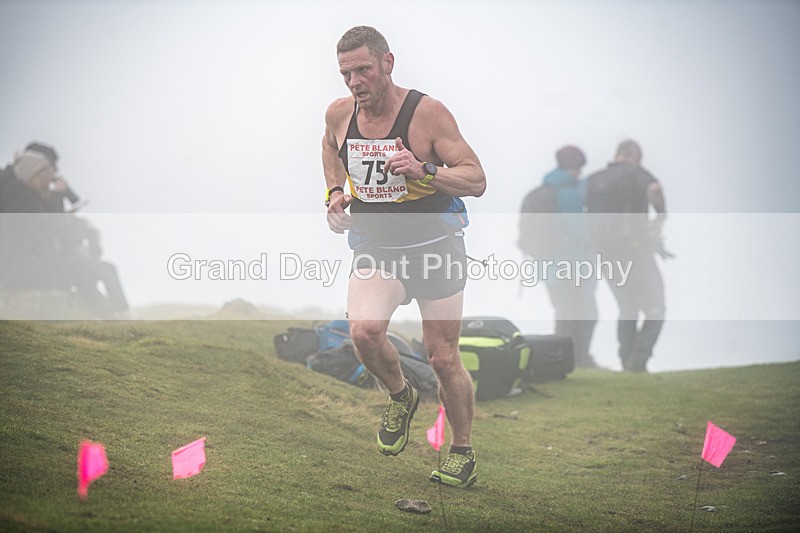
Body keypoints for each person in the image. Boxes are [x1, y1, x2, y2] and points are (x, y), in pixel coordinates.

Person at [322, 26, 486, 487]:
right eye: (346, 73)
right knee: (366, 331)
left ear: (388, 64)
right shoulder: (339, 114)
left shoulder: (427, 114)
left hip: (436, 248)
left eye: (363, 70)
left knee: (442, 358)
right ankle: (400, 395)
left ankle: (462, 450)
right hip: (378, 246)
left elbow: (475, 179)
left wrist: (425, 170)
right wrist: (335, 193)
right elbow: (328, 147)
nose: (354, 82)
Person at [0, 143, 129, 318]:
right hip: (26, 270)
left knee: (86, 270)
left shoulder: (22, 193)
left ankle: (109, 317)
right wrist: (60, 197)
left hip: (29, 266)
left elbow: (48, 225)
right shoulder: (20, 197)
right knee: (105, 270)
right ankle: (123, 318)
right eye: (47, 170)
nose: (53, 175)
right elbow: (50, 227)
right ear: (33, 175)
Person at [586, 140, 667, 372]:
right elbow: (654, 189)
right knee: (656, 308)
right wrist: (662, 215)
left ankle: (626, 361)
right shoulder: (634, 173)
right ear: (634, 155)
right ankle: (638, 361)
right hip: (634, 250)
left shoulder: (594, 180)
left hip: (605, 253)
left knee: (627, 307)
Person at [532, 145, 599, 368]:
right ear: (578, 167)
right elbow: (577, 234)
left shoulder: (545, 188)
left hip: (547, 265)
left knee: (564, 314)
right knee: (586, 313)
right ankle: (577, 360)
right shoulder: (569, 194)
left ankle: (562, 361)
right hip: (571, 264)